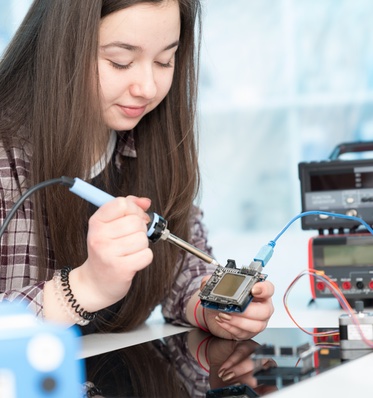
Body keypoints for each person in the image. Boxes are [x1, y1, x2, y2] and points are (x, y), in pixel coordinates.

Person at [0, 0, 274, 340]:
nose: (147, 87)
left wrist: (211, 307)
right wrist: (85, 287)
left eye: (164, 60)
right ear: (60, 48)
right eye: (121, 62)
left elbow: (179, 269)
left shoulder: (150, 141)